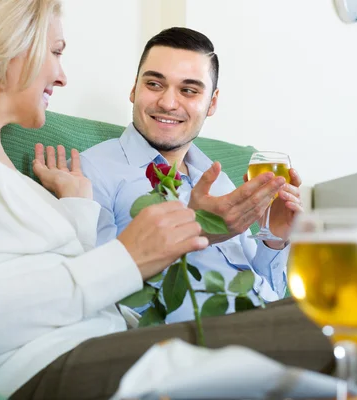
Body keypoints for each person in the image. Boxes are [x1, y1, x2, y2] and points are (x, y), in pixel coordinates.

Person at [0, 0, 357, 399]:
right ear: (14, 50)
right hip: (46, 373)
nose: (61, 75)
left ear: (211, 104)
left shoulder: (4, 168)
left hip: (103, 349)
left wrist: (76, 206)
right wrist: (132, 254)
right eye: (55, 52)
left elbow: (44, 273)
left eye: (189, 90)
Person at [79, 27, 302, 322]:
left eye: (188, 90)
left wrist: (272, 237)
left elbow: (267, 290)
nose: (168, 103)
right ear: (134, 89)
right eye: (155, 84)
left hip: (270, 323)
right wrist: (195, 232)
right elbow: (100, 295)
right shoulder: (93, 170)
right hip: (197, 341)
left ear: (212, 103)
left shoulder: (217, 178)